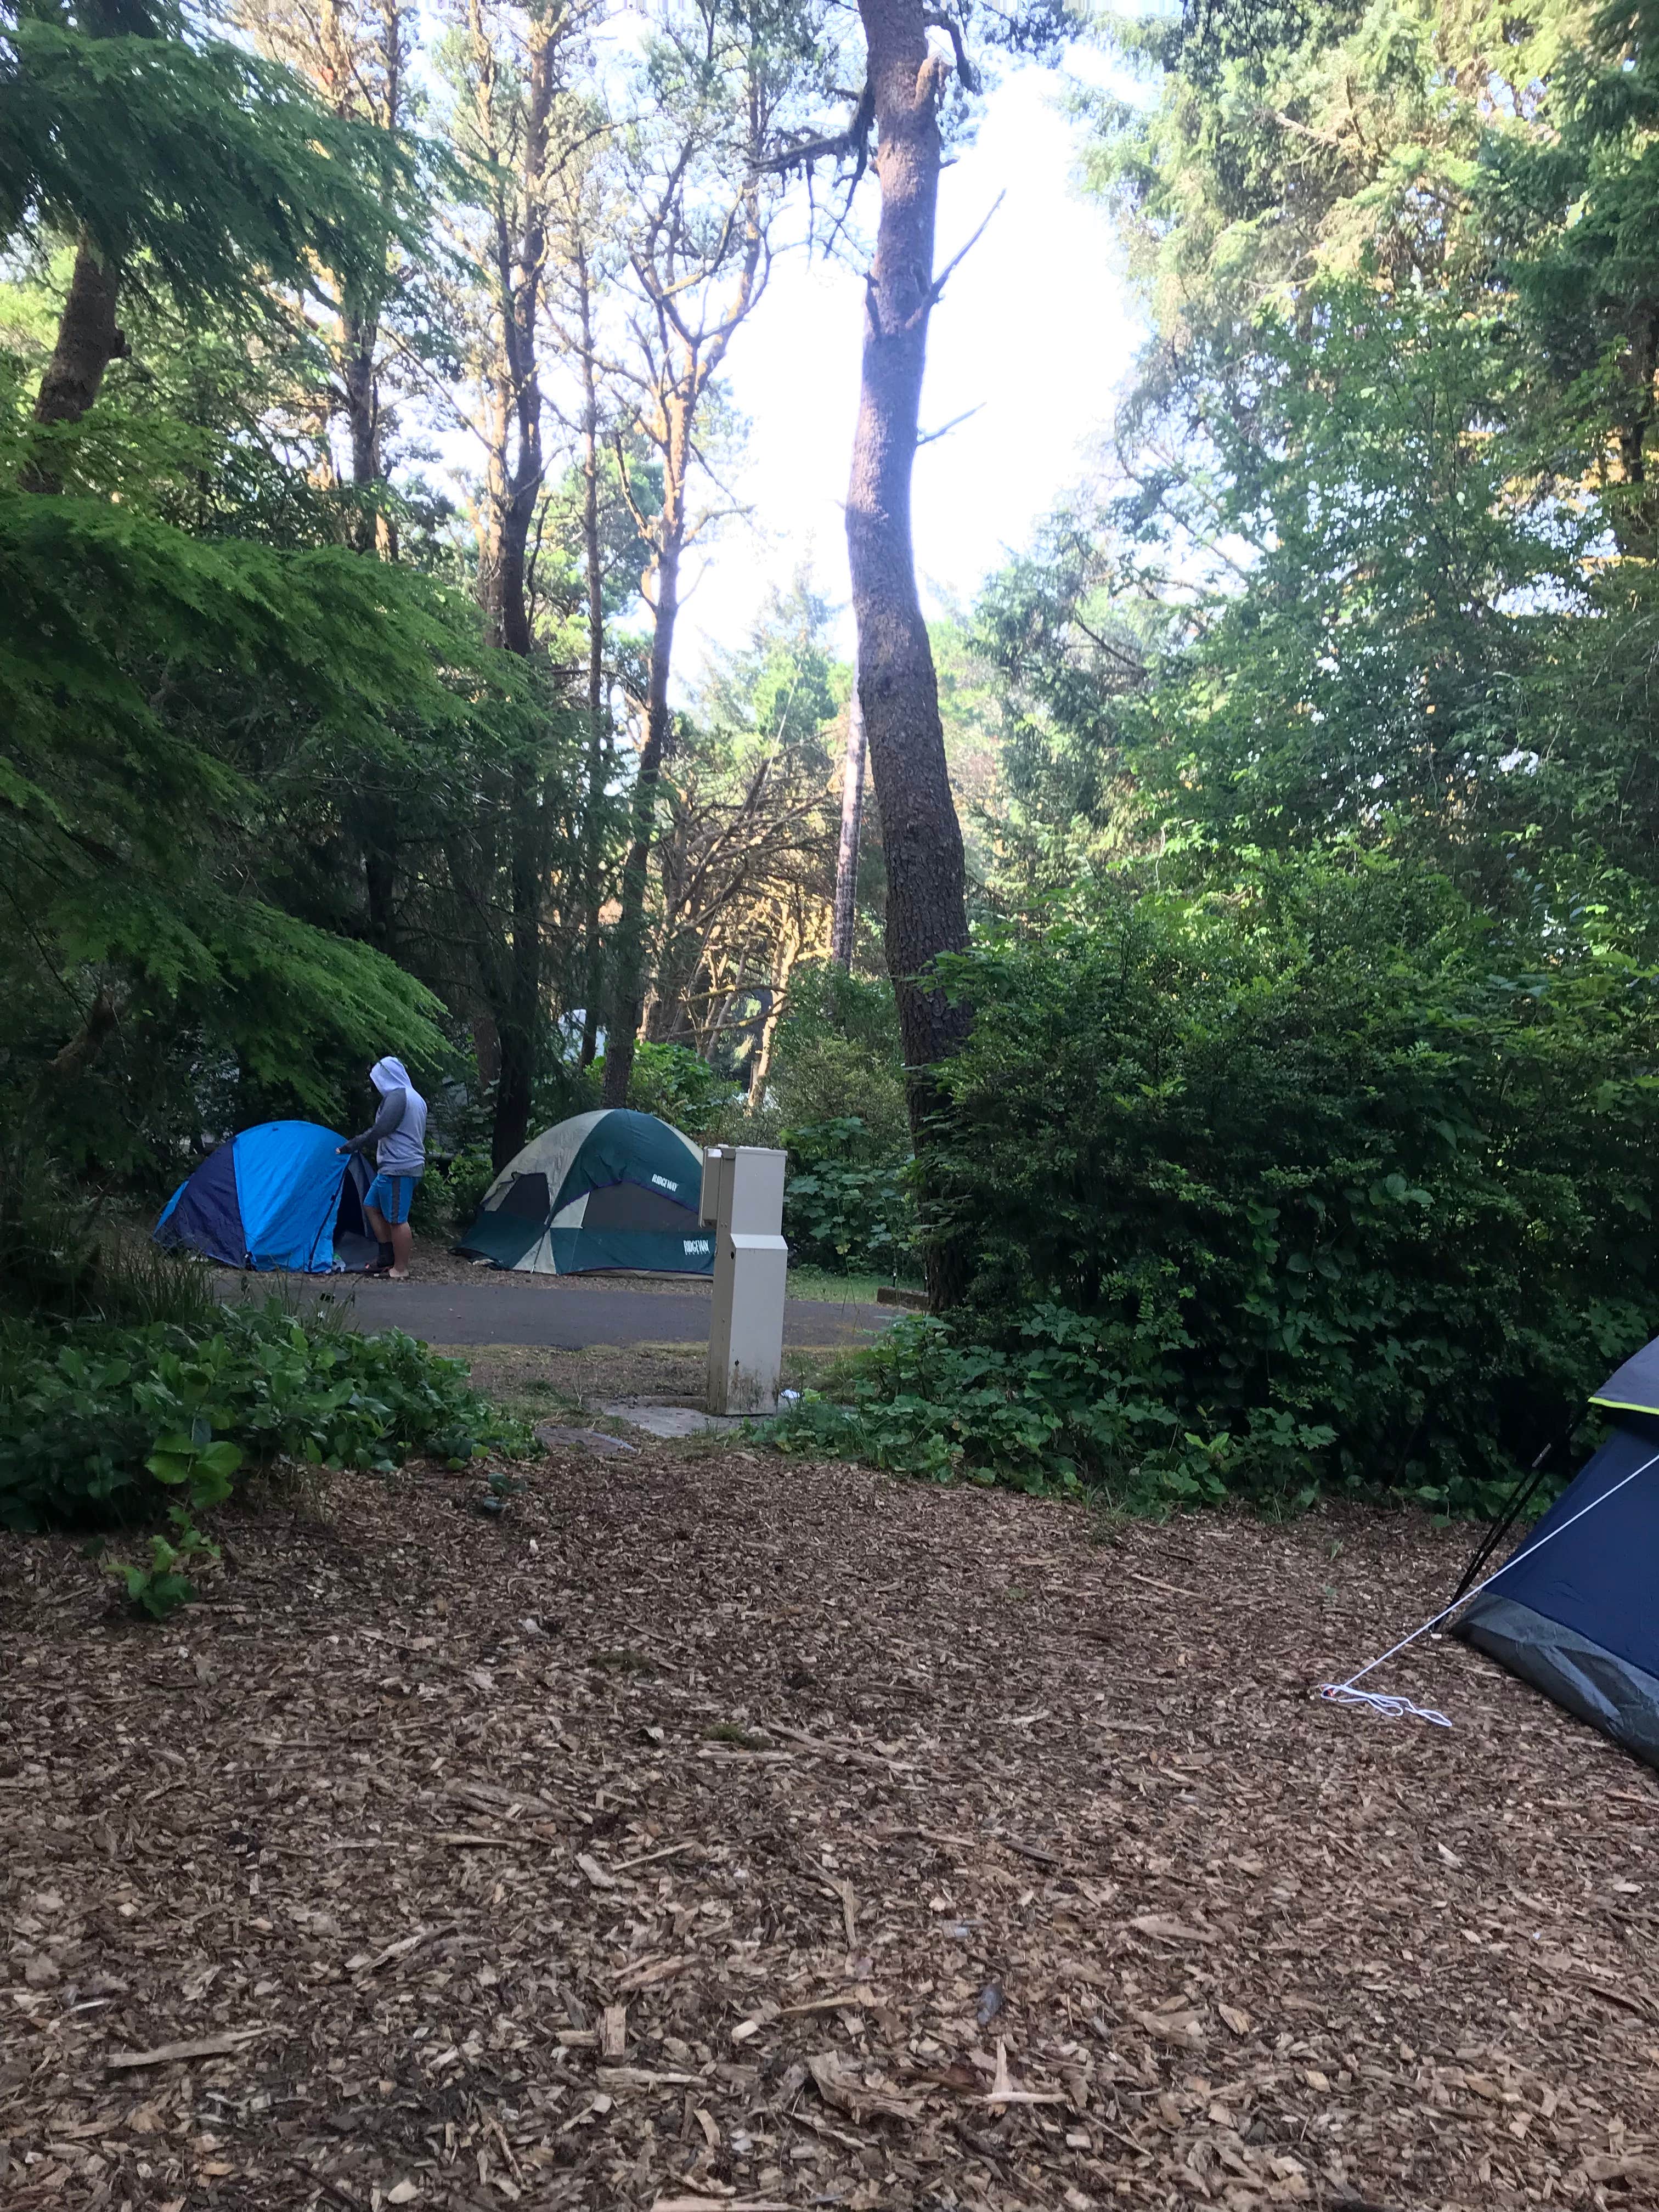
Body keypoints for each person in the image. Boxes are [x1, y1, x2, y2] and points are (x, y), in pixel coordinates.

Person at [338, 1057, 427, 1279]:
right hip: (394, 1167)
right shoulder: (414, 1097)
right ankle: (386, 1257)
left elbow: (381, 1129)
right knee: (371, 1205)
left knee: (398, 1219)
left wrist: (352, 1145)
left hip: (400, 1167)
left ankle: (400, 1268)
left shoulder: (399, 1097)